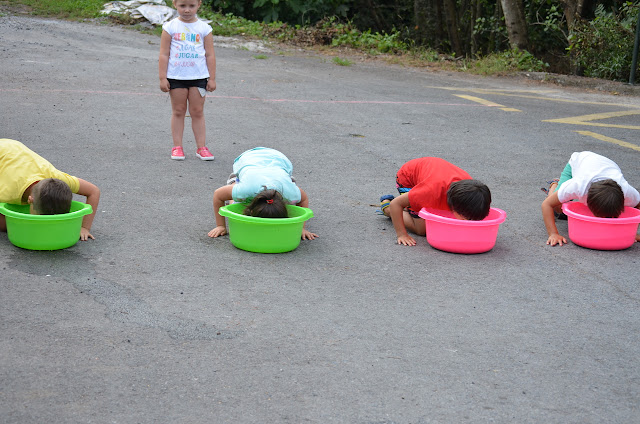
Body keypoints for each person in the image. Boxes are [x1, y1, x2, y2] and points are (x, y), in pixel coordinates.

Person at [207, 147, 318, 240]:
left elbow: (303, 200)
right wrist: (221, 226)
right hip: (249, 158)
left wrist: (302, 228)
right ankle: (236, 182)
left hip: (279, 159)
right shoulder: (246, 190)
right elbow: (218, 195)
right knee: (237, 199)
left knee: (289, 191)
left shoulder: (290, 193)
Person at [0, 139, 100, 241]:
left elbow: (94, 191)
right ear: (30, 200)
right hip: (6, 150)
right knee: (4, 225)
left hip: (14, 151)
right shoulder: (6, 191)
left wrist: (84, 227)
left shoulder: (58, 179)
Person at [379, 157, 491, 246]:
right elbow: (396, 203)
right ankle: (387, 208)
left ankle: (406, 207)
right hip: (407, 179)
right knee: (421, 230)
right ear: (454, 207)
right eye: (468, 219)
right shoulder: (429, 193)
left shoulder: (472, 191)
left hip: (431, 175)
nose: (470, 222)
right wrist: (401, 234)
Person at [541, 151, 640, 246]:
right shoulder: (578, 186)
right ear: (587, 201)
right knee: (558, 208)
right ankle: (555, 184)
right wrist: (553, 234)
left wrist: (632, 232)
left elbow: (637, 208)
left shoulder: (626, 192)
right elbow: (546, 204)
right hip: (577, 162)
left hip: (603, 164)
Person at [158, 0, 216, 161]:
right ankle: (177, 147)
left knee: (197, 112)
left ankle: (201, 147)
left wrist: (212, 78)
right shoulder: (169, 27)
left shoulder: (205, 28)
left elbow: (210, 55)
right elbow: (164, 54)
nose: (187, 10)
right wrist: (163, 77)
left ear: (199, 4)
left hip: (199, 77)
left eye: (191, 6)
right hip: (176, 77)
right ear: (175, 4)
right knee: (178, 111)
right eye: (183, 6)